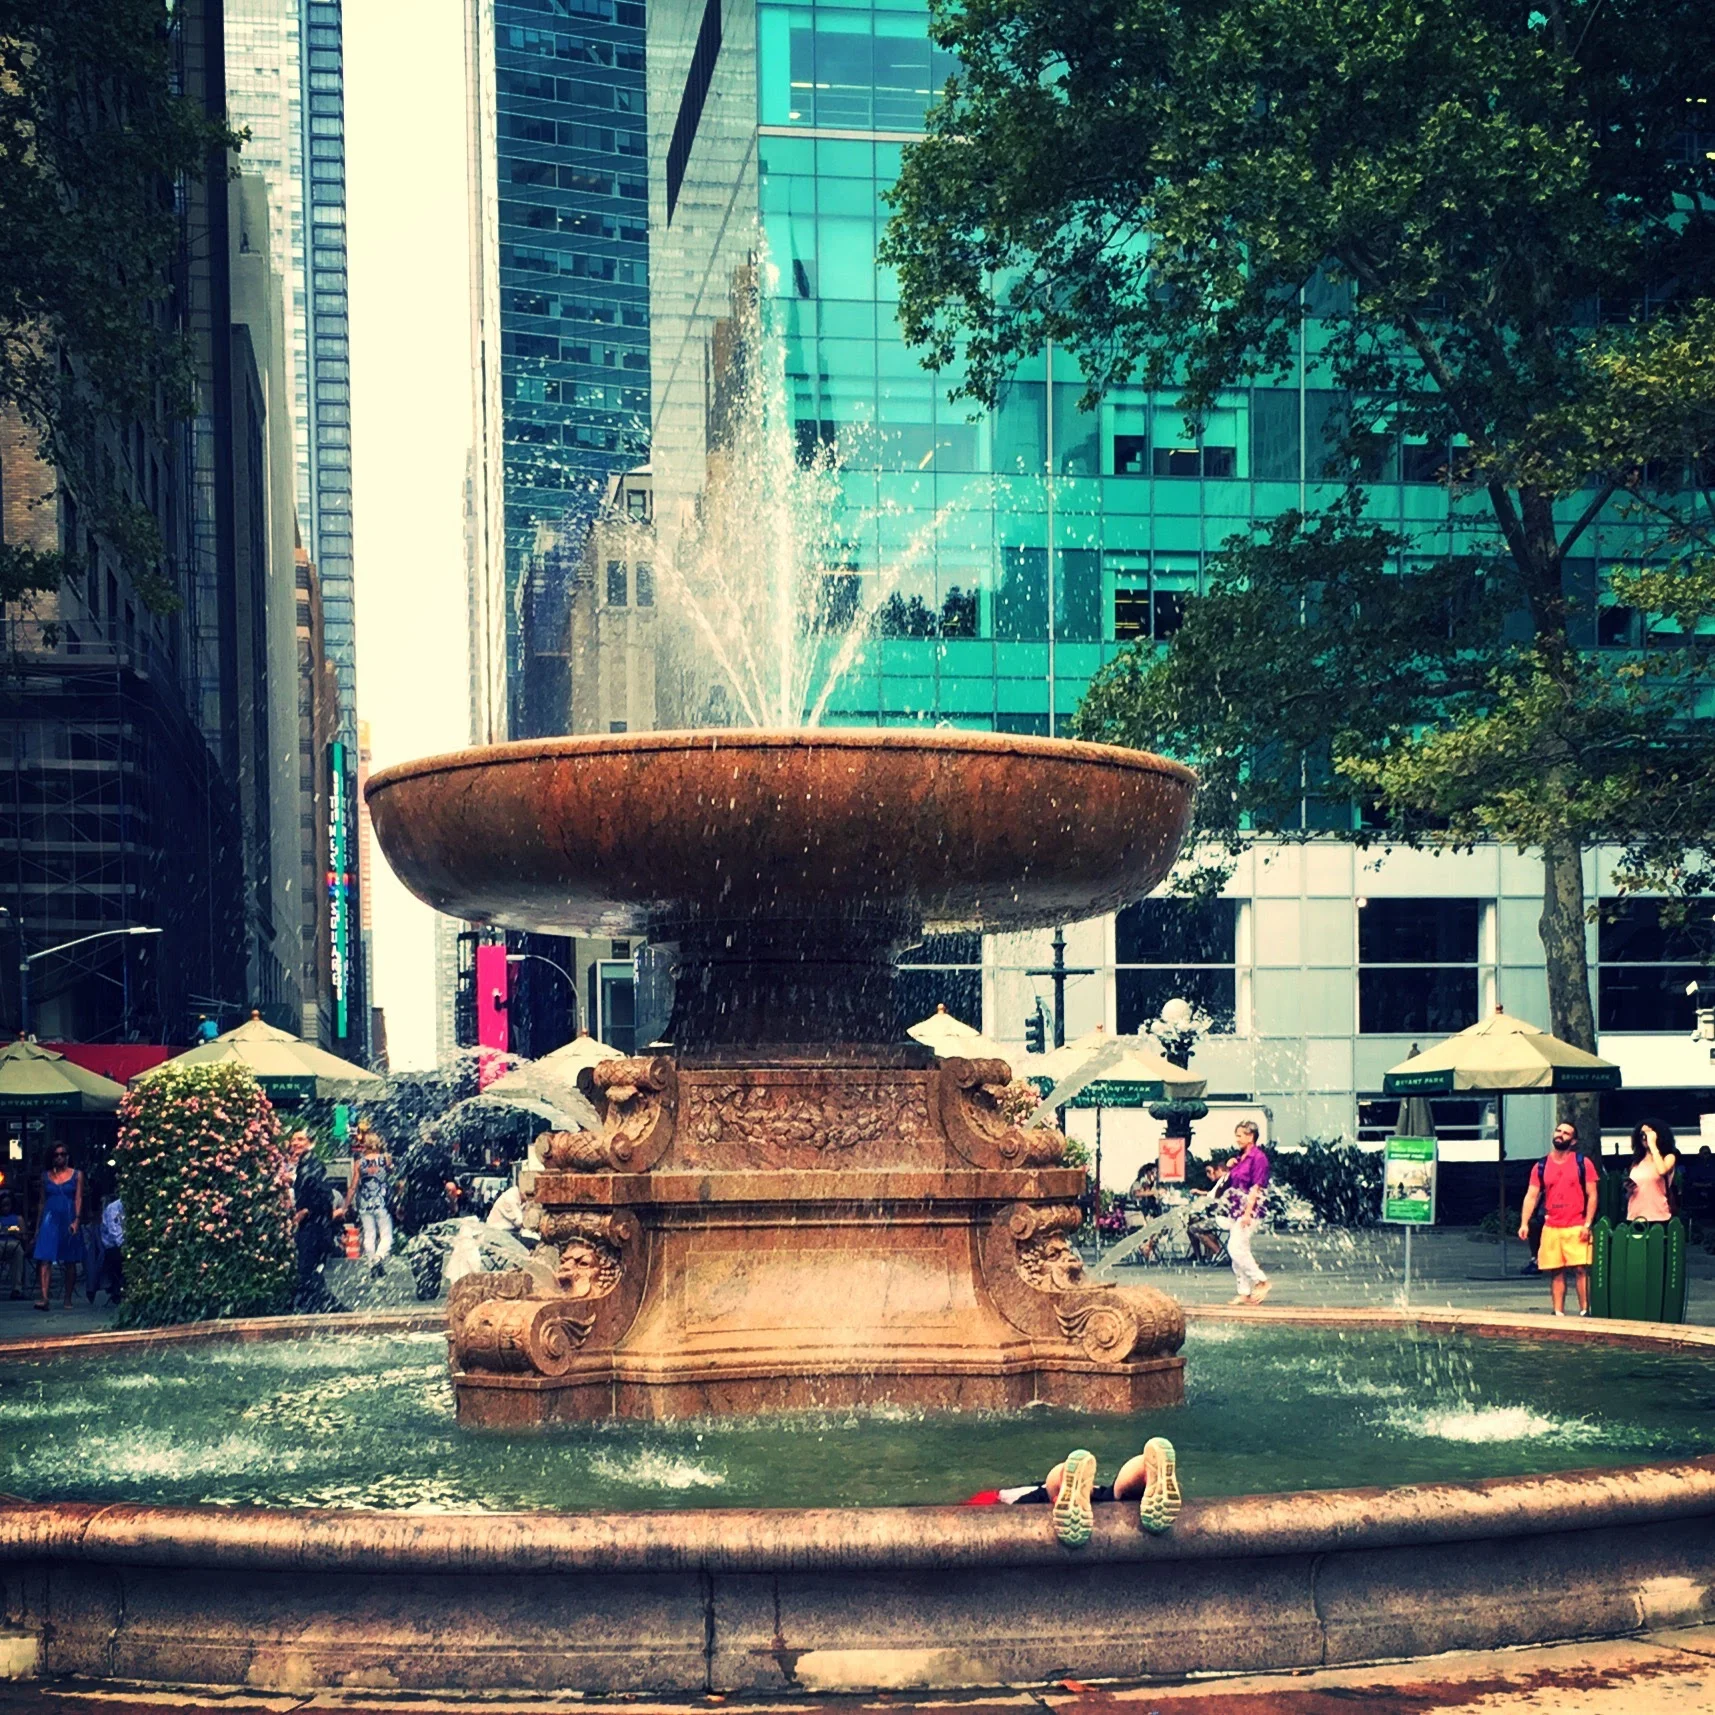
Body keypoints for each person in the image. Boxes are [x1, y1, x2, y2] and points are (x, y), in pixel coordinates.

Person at [965, 1438, 1182, 1545]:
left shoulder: (1003, 1494)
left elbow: (974, 1517)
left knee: (1053, 1483)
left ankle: (1064, 1482)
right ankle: (1145, 1467)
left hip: (1045, 1497)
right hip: (1099, 1493)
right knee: (1119, 1490)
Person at [1518, 1119, 1599, 1316]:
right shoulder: (1541, 1166)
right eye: (1558, 1130)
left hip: (1576, 1224)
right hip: (1552, 1225)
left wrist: (1588, 1223)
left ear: (1573, 1141)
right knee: (1556, 1271)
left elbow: (1593, 1194)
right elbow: (1532, 1195)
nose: (1560, 1134)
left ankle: (1584, 1311)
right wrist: (1524, 1223)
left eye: (1566, 1133)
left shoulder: (1583, 1163)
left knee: (1580, 1269)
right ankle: (1558, 1313)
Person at [289, 1130, 346, 1313]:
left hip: (314, 1226)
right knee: (309, 1270)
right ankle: (319, 1306)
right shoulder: (305, 1164)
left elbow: (322, 1195)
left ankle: (328, 1308)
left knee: (307, 1269)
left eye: (300, 1139)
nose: (295, 1143)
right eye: (293, 1140)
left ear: (310, 1142)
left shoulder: (312, 1165)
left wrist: (306, 1210)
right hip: (315, 1225)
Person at [30, 1143, 82, 1310]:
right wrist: (38, 1227)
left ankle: (68, 1297)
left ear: (67, 1156)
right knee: (45, 1257)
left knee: (70, 1259)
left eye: (63, 1154)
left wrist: (77, 1220)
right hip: (49, 1217)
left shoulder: (77, 1175)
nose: (59, 1157)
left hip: (68, 1216)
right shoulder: (45, 1176)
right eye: (56, 1154)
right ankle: (44, 1297)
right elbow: (41, 1201)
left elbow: (78, 1198)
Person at [1225, 1121, 1272, 1304]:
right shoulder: (1242, 1157)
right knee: (1239, 1250)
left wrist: (1248, 1213)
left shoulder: (1258, 1158)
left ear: (1250, 1136)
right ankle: (1244, 1292)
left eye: (1240, 1135)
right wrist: (1231, 1167)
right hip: (1237, 1209)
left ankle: (1261, 1280)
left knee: (1235, 1248)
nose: (1237, 1139)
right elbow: (1236, 1184)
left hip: (1250, 1210)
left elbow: (1256, 1187)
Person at [345, 1123, 394, 1277]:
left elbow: (353, 1186)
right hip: (381, 1202)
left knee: (369, 1234)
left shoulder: (359, 1163)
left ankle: (372, 1261)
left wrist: (345, 1205)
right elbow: (392, 1174)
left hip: (365, 1203)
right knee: (386, 1234)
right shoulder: (385, 1159)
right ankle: (379, 1257)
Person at [1626, 1119, 1677, 1223]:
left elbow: (1662, 1170)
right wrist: (1628, 1189)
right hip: (1635, 1215)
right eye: (1642, 1134)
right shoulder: (1637, 1162)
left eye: (1648, 1133)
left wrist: (1653, 1145)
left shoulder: (1668, 1157)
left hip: (1658, 1215)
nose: (1645, 1137)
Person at [94, 1186, 125, 1305]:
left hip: (123, 1245)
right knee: (120, 1257)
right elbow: (116, 1235)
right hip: (113, 1248)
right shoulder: (114, 1208)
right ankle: (118, 1288)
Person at [0, 1191, 25, 1299]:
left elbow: (24, 1236)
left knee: (19, 1252)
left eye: (8, 1205)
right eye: (3, 1205)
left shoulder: (18, 1218)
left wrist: (15, 1232)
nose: (6, 1208)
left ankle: (17, 1289)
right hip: (0, 1243)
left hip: (14, 1243)